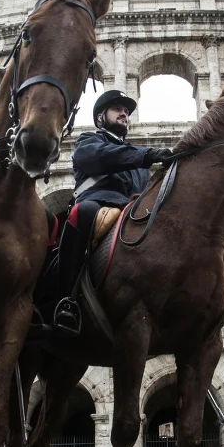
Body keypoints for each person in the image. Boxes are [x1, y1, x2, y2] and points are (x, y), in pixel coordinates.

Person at [52, 89, 173, 335]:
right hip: (98, 202)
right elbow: (102, 157)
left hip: (132, 210)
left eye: (127, 112)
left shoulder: (137, 158)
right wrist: (147, 156)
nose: (124, 114)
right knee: (82, 212)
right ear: (100, 118)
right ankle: (65, 298)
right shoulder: (88, 141)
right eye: (117, 109)